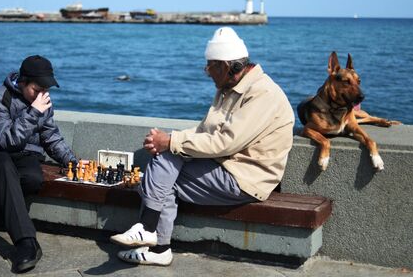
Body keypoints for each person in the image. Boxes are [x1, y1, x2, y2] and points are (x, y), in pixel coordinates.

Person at [110, 27, 295, 266]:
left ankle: (152, 236)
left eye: (210, 66)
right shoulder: (228, 88)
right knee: (164, 169)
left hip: (246, 178)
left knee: (162, 170)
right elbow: (205, 133)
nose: (207, 72)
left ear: (227, 66)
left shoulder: (262, 94)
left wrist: (170, 142)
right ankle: (155, 242)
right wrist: (169, 139)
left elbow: (224, 143)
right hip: (224, 166)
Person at [0, 55, 77, 274]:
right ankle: (25, 242)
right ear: (23, 82)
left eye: (45, 90)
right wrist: (33, 112)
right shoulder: (0, 97)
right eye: (37, 90)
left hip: (24, 153)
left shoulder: (42, 102)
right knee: (4, 166)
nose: (42, 95)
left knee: (33, 179)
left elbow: (51, 137)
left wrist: (72, 161)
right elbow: (6, 140)